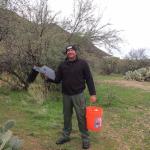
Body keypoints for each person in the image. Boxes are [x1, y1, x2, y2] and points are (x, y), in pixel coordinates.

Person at [46, 45, 96, 149]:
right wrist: (48, 78)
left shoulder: (83, 63)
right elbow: (57, 79)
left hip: (79, 95)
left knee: (81, 116)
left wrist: (93, 93)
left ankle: (85, 138)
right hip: (66, 95)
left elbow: (89, 79)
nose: (70, 52)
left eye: (72, 50)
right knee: (66, 116)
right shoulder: (62, 65)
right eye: (68, 51)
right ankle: (65, 136)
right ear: (66, 53)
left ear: (75, 52)